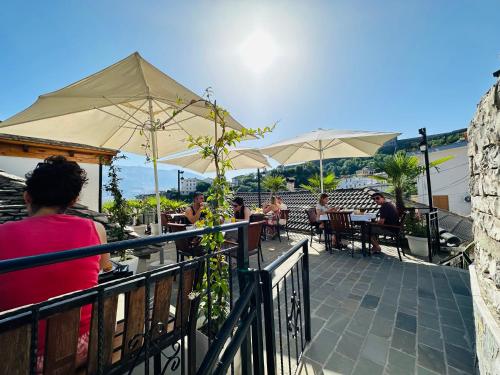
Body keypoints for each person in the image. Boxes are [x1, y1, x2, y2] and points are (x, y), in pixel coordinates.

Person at [0, 155, 111, 372]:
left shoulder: (2, 234)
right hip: (80, 348)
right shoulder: (95, 229)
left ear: (27, 197)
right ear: (72, 201)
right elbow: (106, 269)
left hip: (17, 356)